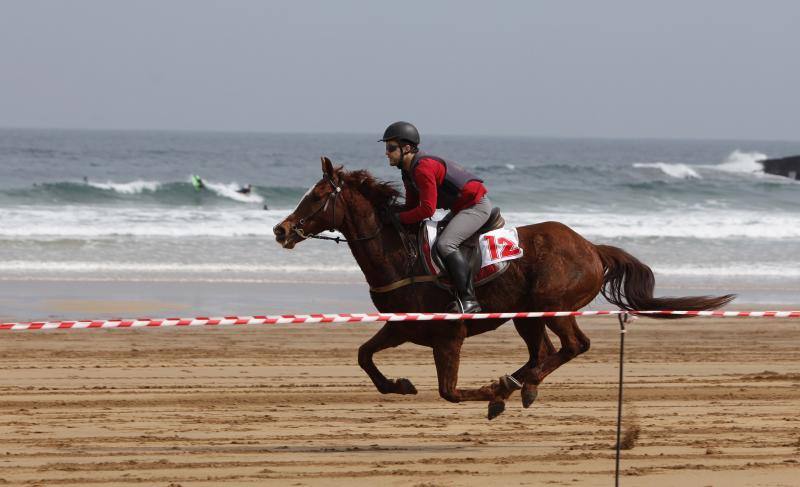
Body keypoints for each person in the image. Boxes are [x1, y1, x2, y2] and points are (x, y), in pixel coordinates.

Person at [380, 121, 491, 313]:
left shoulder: (422, 168)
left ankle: (469, 299)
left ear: (406, 148)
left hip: (476, 207)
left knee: (445, 244)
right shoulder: (408, 172)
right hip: (461, 208)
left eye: (391, 148)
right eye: (386, 148)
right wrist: (389, 213)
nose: (386, 153)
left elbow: (427, 210)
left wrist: (399, 218)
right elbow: (411, 207)